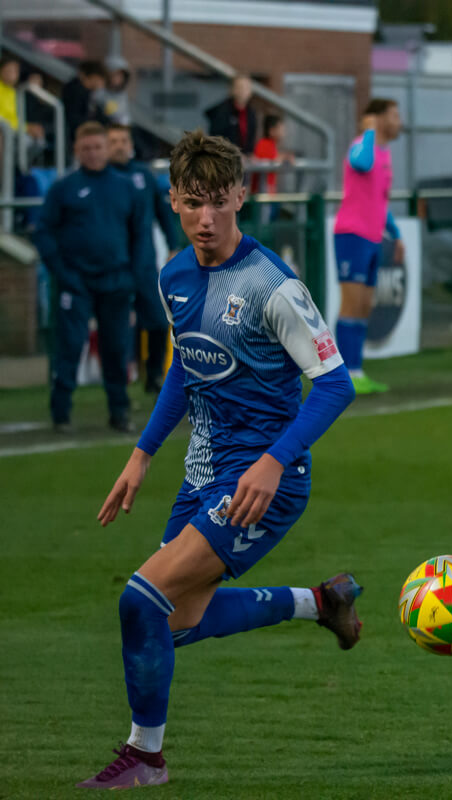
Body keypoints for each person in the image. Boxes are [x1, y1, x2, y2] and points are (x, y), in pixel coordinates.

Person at [76, 130, 360, 790]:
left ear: (241, 195)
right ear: (173, 200)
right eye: (192, 203)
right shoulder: (175, 275)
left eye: (218, 202)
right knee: (173, 625)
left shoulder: (273, 286)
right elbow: (185, 368)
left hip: (265, 481)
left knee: (140, 602)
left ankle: (146, 757)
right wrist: (142, 454)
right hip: (202, 475)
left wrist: (273, 460)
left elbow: (336, 383)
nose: (207, 218)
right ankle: (321, 602)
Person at [33, 121, 152, 433]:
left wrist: (133, 274)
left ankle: (119, 411)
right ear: (77, 150)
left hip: (116, 280)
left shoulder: (127, 187)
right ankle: (60, 413)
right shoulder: (64, 188)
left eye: (98, 147)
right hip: (77, 281)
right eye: (86, 148)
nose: (93, 153)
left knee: (115, 347)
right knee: (70, 345)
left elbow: (140, 235)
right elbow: (43, 231)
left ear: (106, 149)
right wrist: (61, 270)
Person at [332, 98, 405, 394]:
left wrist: (395, 234)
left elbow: (380, 203)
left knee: (363, 306)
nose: (399, 120)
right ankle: (342, 375)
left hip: (373, 237)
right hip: (352, 235)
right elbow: (360, 162)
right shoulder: (363, 145)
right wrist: (370, 130)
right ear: (377, 119)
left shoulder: (385, 154)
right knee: (351, 304)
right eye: (394, 115)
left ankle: (357, 371)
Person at [108, 123, 177, 394]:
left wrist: (172, 245)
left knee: (159, 321)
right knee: (117, 326)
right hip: (113, 265)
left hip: (144, 263)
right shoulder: (104, 177)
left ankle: (154, 374)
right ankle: (121, 377)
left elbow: (162, 213)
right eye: (113, 141)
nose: (119, 145)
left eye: (123, 140)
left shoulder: (143, 176)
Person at [205, 74, 257, 156]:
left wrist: (248, 154)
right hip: (225, 158)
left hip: (245, 161)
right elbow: (216, 140)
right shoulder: (221, 112)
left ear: (250, 91)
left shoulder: (251, 113)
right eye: (239, 87)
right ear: (232, 90)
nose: (242, 91)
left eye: (246, 88)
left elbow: (251, 141)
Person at [63, 61, 108, 150]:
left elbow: (99, 115)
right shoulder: (76, 91)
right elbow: (73, 117)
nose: (102, 84)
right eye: (102, 79)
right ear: (94, 77)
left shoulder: (89, 93)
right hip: (76, 134)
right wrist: (95, 124)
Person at [251, 114, 293, 195]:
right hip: (261, 191)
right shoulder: (263, 143)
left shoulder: (271, 144)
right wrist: (285, 157)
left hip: (268, 190)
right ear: (271, 130)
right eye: (281, 129)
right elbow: (272, 160)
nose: (283, 132)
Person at [0, 55, 19, 130]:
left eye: (16, 71)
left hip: (12, 130)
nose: (13, 74)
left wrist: (25, 127)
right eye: (10, 70)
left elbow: (14, 118)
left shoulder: (14, 92)